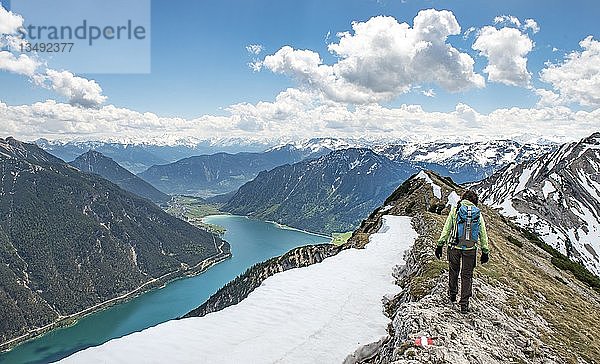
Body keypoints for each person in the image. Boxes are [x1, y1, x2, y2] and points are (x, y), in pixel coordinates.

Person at [435, 190, 489, 314]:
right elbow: (483, 233)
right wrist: (485, 251)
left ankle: (452, 295)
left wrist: (440, 244)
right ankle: (464, 304)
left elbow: (446, 229)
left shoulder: (455, 210)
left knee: (453, 271)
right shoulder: (477, 214)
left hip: (454, 247)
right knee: (467, 276)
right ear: (475, 202)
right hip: (470, 249)